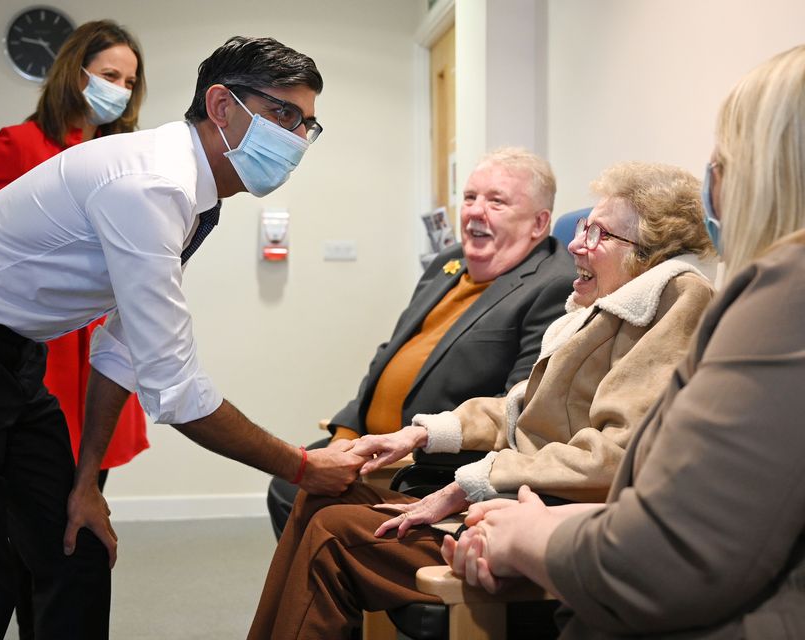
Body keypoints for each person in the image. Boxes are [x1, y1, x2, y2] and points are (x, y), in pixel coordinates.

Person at [0, 36, 363, 640]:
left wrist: (88, 482)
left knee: (79, 546)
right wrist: (304, 467)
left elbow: (121, 342)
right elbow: (176, 393)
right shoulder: (153, 184)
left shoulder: (194, 196)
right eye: (285, 115)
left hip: (10, 352)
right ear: (222, 106)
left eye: (309, 123)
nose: (298, 138)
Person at [247, 161, 716, 640]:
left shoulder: (674, 301)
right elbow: (519, 406)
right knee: (315, 500)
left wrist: (476, 481)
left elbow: (617, 454)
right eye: (582, 228)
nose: (576, 244)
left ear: (646, 255)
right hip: (502, 496)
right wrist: (422, 432)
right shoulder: (601, 309)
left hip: (536, 512)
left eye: (597, 234)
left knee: (333, 535)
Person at [443, 44, 805, 639]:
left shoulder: (776, 295)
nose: (578, 247)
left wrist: (531, 533)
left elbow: (665, 559)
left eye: (722, 159)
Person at [0, 23, 149, 636]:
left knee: (78, 518)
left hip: (91, 363)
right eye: (108, 76)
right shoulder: (23, 144)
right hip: (26, 367)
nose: (118, 90)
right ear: (75, 71)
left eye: (129, 81)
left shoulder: (118, 160)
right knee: (20, 537)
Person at [267, 148, 576, 538]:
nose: (475, 212)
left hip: (427, 466)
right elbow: (392, 353)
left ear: (539, 223)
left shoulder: (554, 285)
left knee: (293, 492)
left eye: (496, 201)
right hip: (371, 442)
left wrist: (394, 447)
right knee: (289, 478)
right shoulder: (448, 262)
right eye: (469, 197)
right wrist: (344, 435)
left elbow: (519, 406)